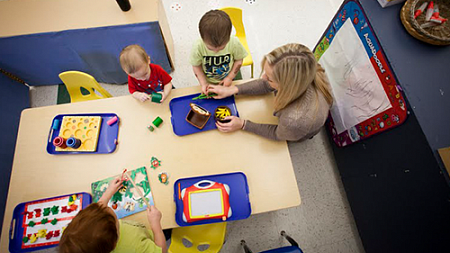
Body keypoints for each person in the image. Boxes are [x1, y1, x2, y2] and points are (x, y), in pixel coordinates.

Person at [208, 43, 333, 142]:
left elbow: (278, 134)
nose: (262, 78)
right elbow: (266, 84)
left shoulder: (294, 120)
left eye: (270, 78)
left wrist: (243, 124)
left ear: (287, 86)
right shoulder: (306, 68)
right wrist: (233, 90)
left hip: (295, 133)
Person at [59, 177, 167, 253]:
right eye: (107, 209)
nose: (105, 205)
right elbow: (161, 251)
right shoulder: (135, 247)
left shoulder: (101, 237)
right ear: (115, 231)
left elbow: (99, 208)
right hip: (151, 237)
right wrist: (155, 225)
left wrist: (108, 192)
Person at [190, 10, 248, 94]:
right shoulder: (198, 46)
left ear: (228, 37)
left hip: (232, 76)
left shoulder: (234, 42)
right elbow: (196, 66)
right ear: (202, 38)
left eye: (222, 48)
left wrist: (230, 77)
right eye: (211, 48)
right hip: (209, 81)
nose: (216, 51)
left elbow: (239, 60)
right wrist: (204, 83)